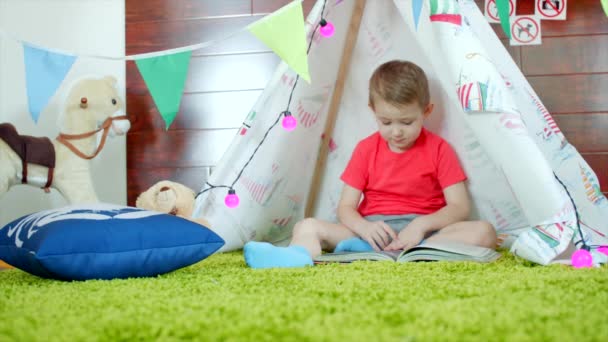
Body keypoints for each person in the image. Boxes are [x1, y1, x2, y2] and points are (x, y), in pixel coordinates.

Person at [244, 60, 497, 268]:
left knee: (484, 232)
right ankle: (299, 258)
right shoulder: (366, 149)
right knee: (306, 226)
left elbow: (459, 206)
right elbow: (346, 208)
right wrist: (364, 228)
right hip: (373, 232)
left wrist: (420, 226)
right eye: (386, 122)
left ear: (427, 111)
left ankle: (415, 252)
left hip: (424, 235)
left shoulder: (440, 149)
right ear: (372, 110)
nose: (396, 132)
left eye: (407, 122)